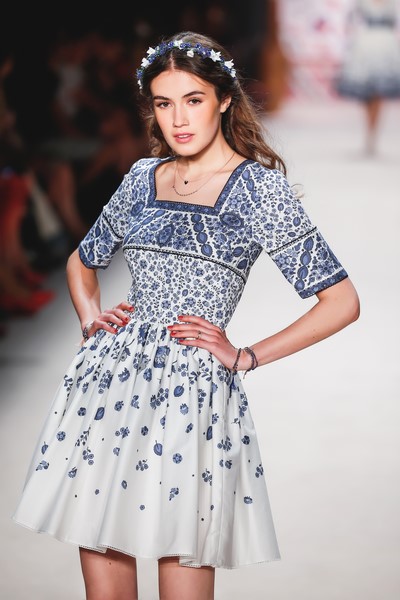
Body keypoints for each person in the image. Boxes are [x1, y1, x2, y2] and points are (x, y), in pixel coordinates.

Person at [13, 31, 360, 600]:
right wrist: (90, 317)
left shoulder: (259, 191)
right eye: (163, 102)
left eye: (193, 99)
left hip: (191, 398)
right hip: (110, 387)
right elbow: (82, 260)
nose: (177, 118)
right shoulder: (141, 177)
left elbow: (341, 300)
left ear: (223, 99)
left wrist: (245, 356)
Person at [335, 0, 400, 154]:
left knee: (380, 91)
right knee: (365, 92)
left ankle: (372, 132)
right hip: (366, 44)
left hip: (385, 45)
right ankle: (369, 130)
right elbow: (350, 20)